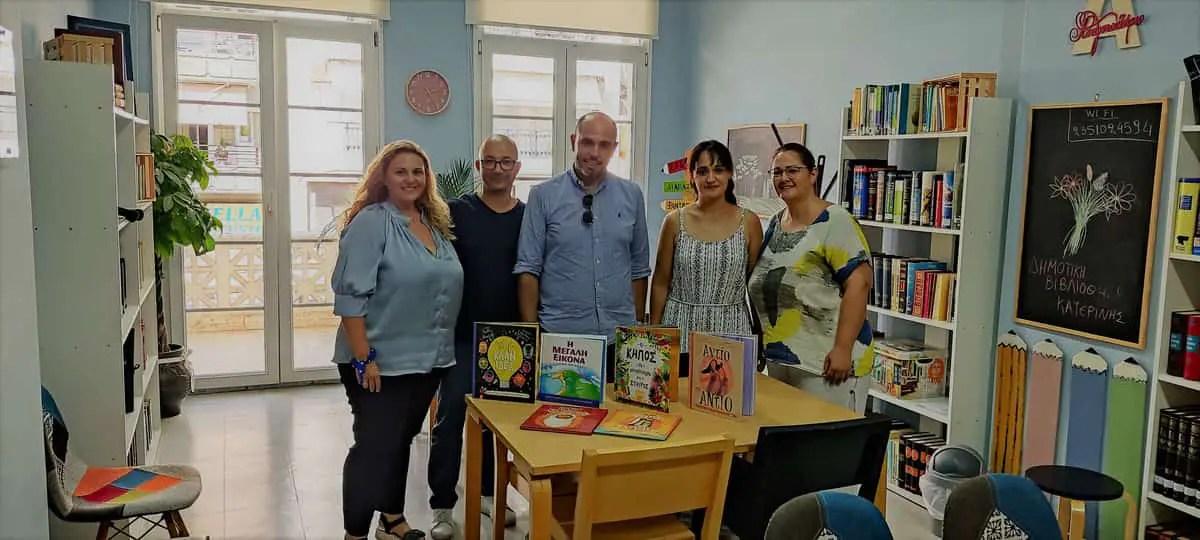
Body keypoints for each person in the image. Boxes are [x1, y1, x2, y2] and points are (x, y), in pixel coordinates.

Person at [330, 140, 463, 540]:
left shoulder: (433, 223)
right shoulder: (372, 222)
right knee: (373, 448)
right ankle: (355, 534)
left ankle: (391, 520)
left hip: (427, 360)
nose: (410, 178)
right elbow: (350, 298)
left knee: (399, 440)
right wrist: (363, 358)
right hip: (378, 361)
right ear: (383, 178)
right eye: (400, 171)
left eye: (417, 171)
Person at [427, 135, 522, 540]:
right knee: (450, 420)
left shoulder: (529, 217)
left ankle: (488, 495)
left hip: (511, 340)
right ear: (479, 166)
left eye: (506, 162)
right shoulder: (456, 212)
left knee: (497, 425)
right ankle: (442, 505)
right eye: (490, 161)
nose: (498, 169)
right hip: (462, 335)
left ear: (517, 168)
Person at [515, 111, 651, 376]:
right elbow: (528, 269)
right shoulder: (543, 195)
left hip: (618, 338)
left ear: (614, 148)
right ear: (573, 141)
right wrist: (532, 336)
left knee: (617, 405)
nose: (595, 153)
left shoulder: (632, 195)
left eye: (604, 145)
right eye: (587, 142)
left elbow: (639, 269)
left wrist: (634, 331)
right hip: (561, 341)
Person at [748, 142, 875, 413]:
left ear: (813, 174)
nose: (784, 178)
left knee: (826, 438)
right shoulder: (776, 223)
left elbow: (859, 284)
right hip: (782, 362)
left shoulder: (835, 220)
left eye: (793, 170)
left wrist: (843, 348)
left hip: (826, 366)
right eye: (777, 172)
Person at [649, 140, 763, 374]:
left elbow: (755, 287)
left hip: (732, 333)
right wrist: (654, 335)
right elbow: (660, 282)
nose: (711, 178)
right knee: (678, 395)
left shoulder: (749, 222)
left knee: (725, 395)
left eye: (718, 170)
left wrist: (760, 337)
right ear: (692, 177)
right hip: (680, 330)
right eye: (702, 171)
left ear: (730, 174)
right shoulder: (674, 221)